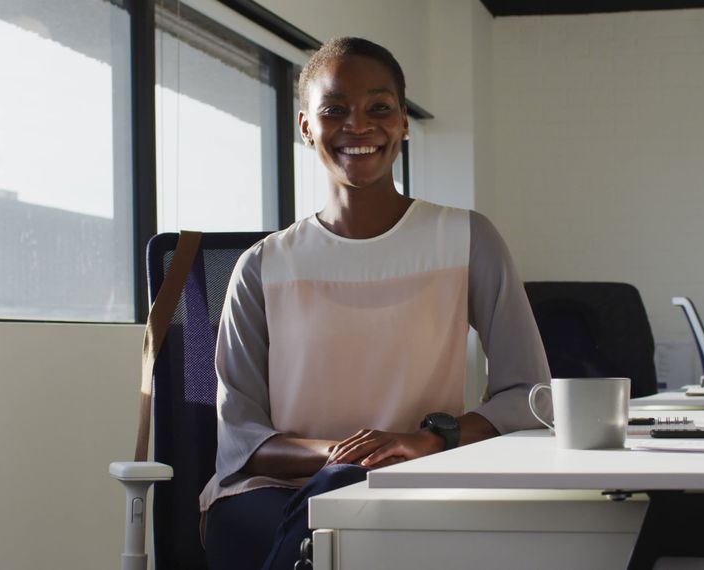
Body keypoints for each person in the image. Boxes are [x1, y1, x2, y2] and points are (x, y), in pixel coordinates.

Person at [200, 36, 551, 570]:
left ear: (404, 122)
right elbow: (241, 440)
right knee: (342, 517)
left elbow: (531, 395)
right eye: (334, 110)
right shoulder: (260, 266)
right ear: (304, 127)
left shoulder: (466, 239)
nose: (358, 126)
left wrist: (427, 440)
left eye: (379, 108)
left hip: (418, 481)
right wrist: (348, 457)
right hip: (274, 491)